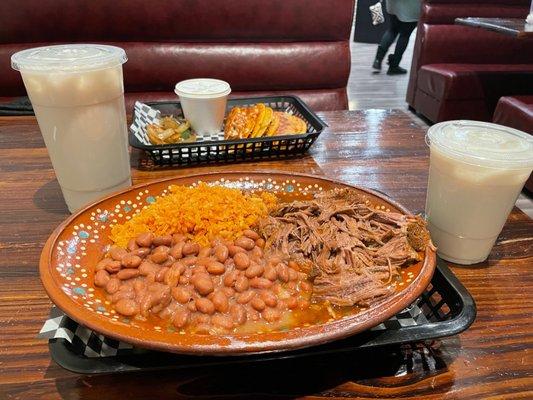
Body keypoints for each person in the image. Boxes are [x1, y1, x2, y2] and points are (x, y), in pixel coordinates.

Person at [372, 0, 421, 75]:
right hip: (411, 6)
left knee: (392, 30)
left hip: (393, 4)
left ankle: (378, 60)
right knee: (405, 35)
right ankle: (394, 66)